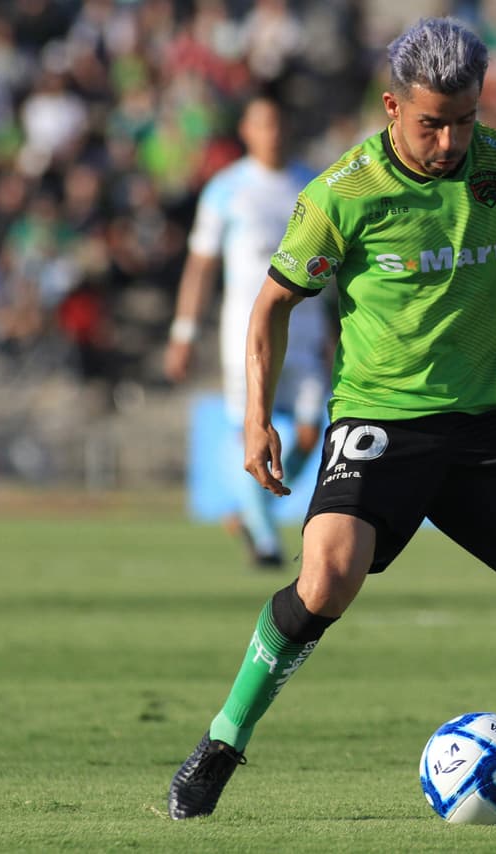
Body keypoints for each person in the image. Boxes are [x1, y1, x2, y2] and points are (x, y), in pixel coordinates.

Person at [166, 17, 496, 825]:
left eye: (464, 120)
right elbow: (272, 305)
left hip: (485, 427)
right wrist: (257, 420)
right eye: (432, 123)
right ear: (392, 106)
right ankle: (220, 743)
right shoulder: (342, 195)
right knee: (326, 580)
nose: (452, 141)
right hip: (380, 421)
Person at [165, 95, 327, 567]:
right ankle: (266, 543)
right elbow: (201, 266)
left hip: (306, 329)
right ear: (247, 130)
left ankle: (247, 508)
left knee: (306, 434)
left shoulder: (312, 184)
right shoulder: (226, 189)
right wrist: (184, 331)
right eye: (263, 124)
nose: (272, 132)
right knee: (252, 432)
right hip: (247, 335)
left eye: (279, 122)